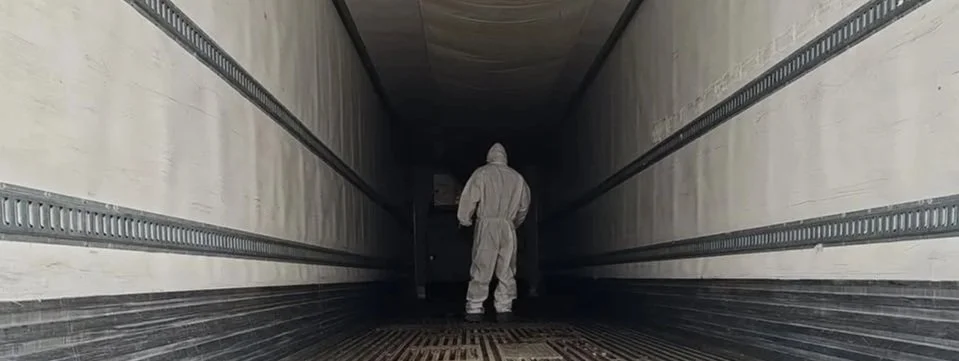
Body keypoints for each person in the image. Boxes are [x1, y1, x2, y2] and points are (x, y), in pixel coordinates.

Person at [456, 143, 531, 322]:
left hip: (487, 225)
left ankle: (475, 306)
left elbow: (469, 198)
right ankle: (504, 306)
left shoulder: (481, 173)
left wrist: (464, 219)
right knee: (506, 267)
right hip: (507, 226)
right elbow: (524, 207)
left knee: (482, 264)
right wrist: (514, 224)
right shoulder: (518, 178)